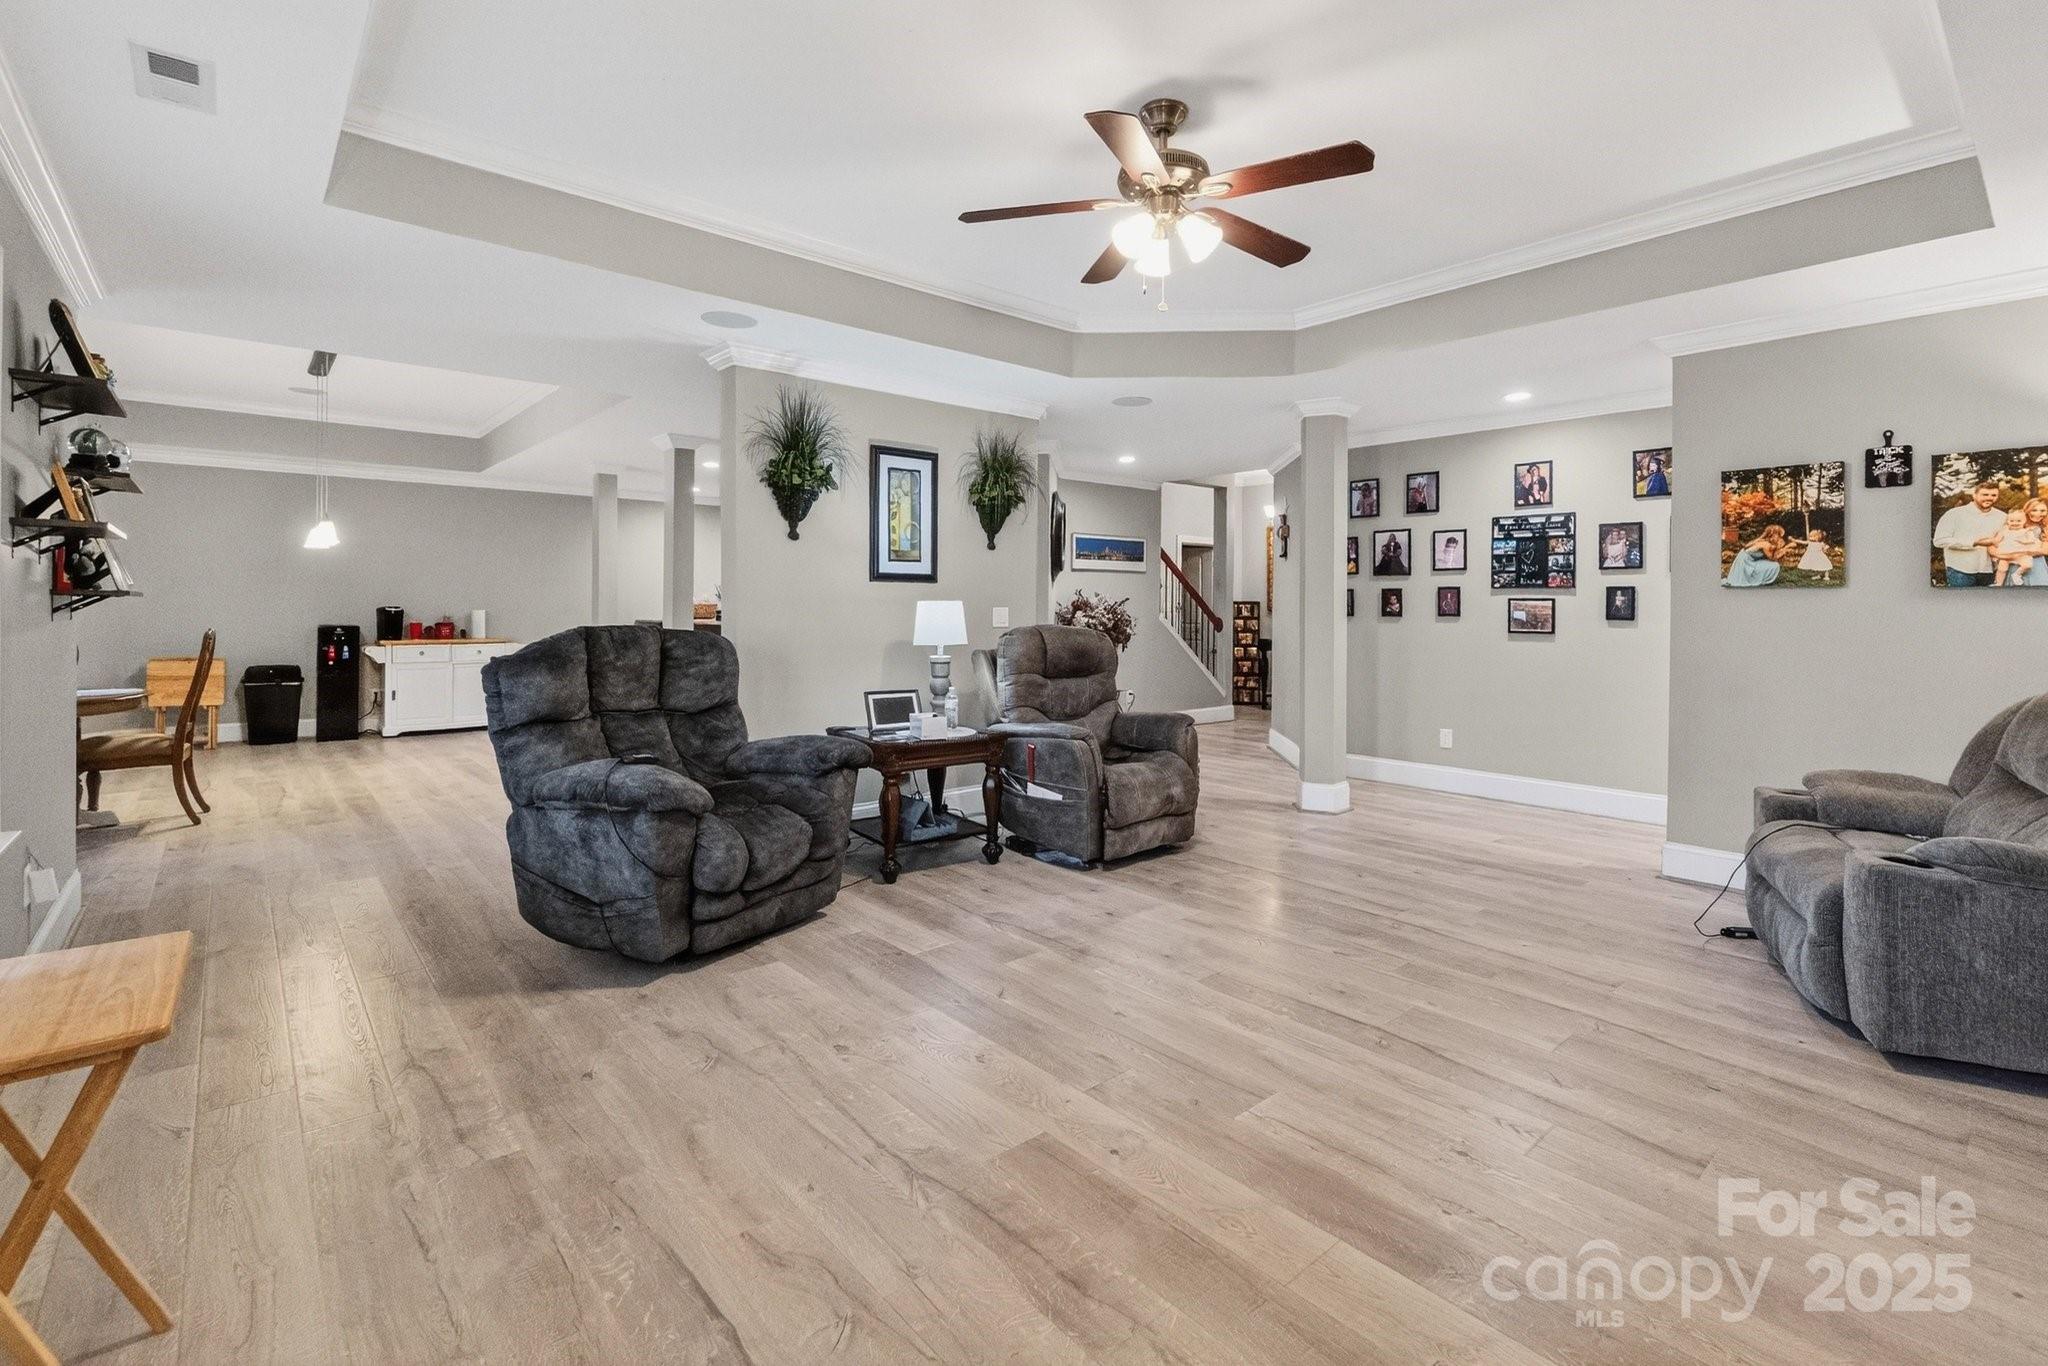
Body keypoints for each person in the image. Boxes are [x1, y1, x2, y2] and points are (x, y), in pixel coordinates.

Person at [1932, 480, 2007, 587]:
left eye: (1993, 495)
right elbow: (1939, 541)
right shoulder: (1954, 514)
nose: (1989, 498)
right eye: (1985, 494)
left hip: (1989, 570)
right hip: (1960, 570)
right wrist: (1974, 542)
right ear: (1974, 495)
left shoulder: (2002, 517)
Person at [1724, 524, 1788, 587]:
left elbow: (1745, 546)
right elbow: (1772, 558)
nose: (1780, 538)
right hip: (1746, 562)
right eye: (1778, 536)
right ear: (1773, 535)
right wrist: (1783, 550)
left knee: (1769, 563)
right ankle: (1762, 580)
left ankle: (1759, 578)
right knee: (1775, 565)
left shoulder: (1763, 541)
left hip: (1745, 559)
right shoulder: (1765, 544)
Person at [1991, 509, 2043, 586]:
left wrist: (2024, 541)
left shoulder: (2026, 531)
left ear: (2024, 521)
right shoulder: (2005, 531)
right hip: (2006, 554)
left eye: (2019, 521)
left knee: (2028, 565)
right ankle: (1998, 583)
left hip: (2020, 553)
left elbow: (2032, 541)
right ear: (2007, 521)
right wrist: (1996, 549)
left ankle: (2017, 574)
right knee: (2002, 569)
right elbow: (1996, 540)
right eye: (2011, 521)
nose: (2015, 523)